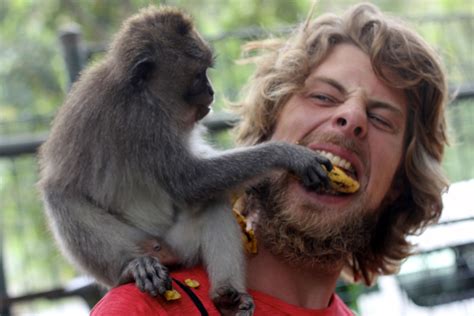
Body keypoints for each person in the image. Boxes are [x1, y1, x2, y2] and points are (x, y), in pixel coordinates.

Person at [91, 2, 449, 315]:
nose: (352, 118)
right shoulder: (146, 309)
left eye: (381, 118)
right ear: (267, 131)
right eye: (324, 97)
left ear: (397, 185)